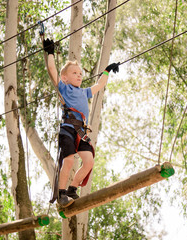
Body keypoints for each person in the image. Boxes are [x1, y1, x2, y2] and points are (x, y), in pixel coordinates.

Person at [43, 38, 119, 207]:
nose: (78, 75)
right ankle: (61, 192)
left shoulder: (85, 92)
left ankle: (72, 189)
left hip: (81, 132)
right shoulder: (64, 87)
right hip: (68, 129)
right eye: (74, 73)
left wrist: (107, 70)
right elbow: (51, 69)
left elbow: (100, 84)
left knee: (89, 161)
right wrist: (50, 53)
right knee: (68, 160)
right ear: (65, 77)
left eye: (80, 74)